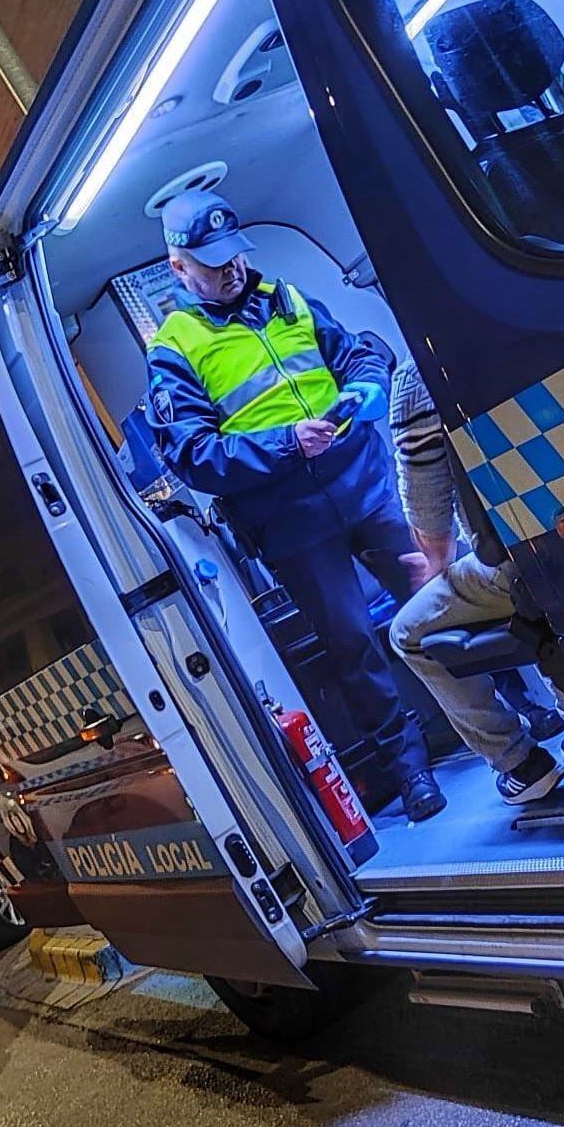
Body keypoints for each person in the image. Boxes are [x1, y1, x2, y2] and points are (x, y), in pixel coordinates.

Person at [140, 190, 445, 822]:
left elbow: (358, 350)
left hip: (364, 482)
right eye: (212, 261)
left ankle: (515, 703)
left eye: (235, 255)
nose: (231, 269)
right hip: (293, 522)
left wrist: (364, 384)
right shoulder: (176, 348)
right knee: (353, 643)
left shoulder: (288, 299)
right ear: (178, 268)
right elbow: (194, 455)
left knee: (440, 587)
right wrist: (286, 443)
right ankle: (409, 769)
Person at [387, 369, 564, 805]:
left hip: (524, 558)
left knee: (407, 633)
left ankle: (519, 763)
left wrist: (434, 564)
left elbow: (433, 524)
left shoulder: (418, 376)